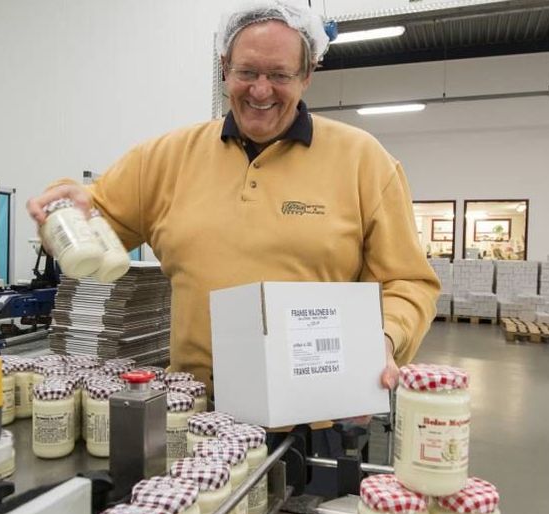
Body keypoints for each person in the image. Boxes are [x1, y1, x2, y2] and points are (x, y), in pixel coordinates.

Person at [28, 1, 439, 399]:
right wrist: (59, 217)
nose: (261, 90)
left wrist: (384, 337)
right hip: (193, 412)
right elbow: (88, 229)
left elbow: (408, 281)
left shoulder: (363, 161)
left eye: (279, 74)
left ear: (307, 75)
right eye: (247, 71)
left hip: (317, 414)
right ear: (225, 69)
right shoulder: (165, 159)